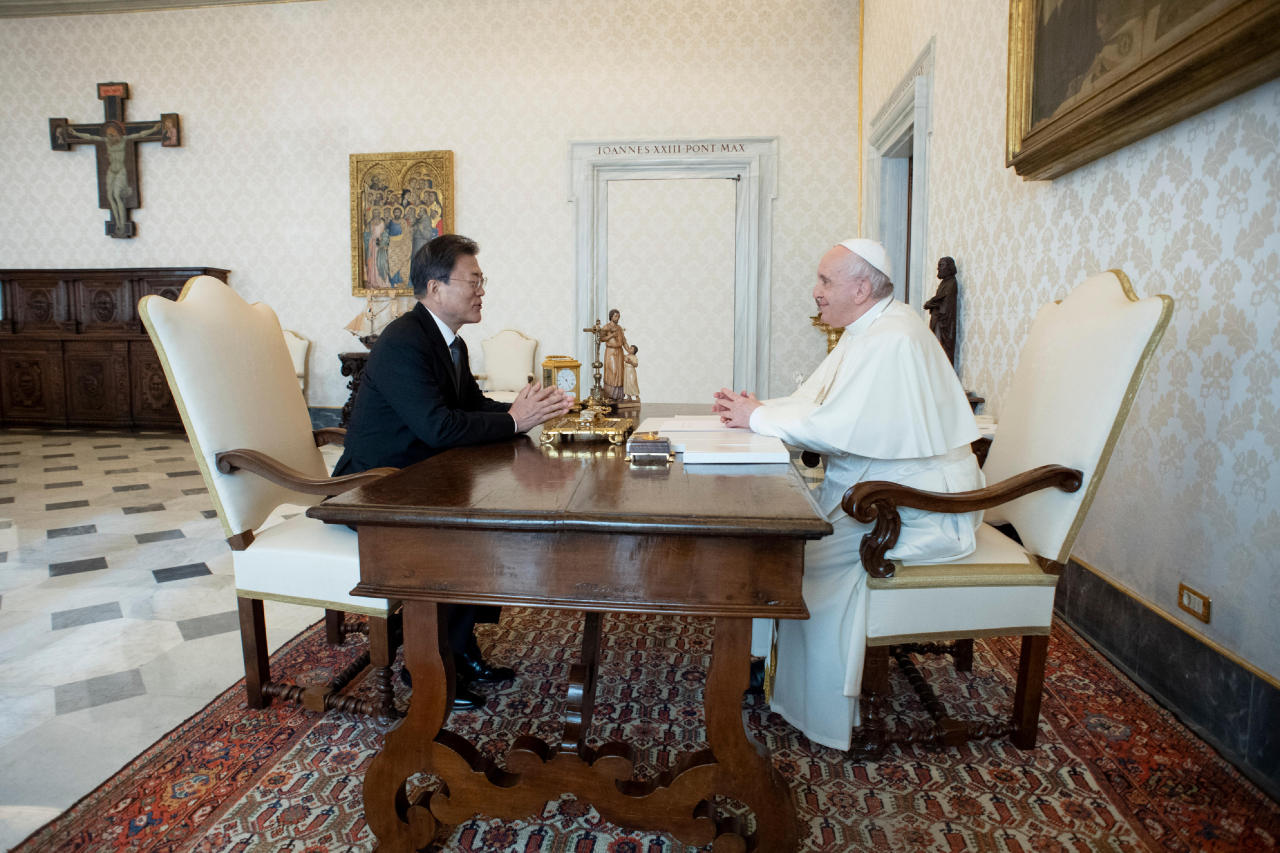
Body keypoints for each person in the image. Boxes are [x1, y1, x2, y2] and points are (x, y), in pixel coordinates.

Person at [711, 239, 982, 751]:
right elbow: (821, 405)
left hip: (915, 507)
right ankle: (767, 667)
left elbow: (838, 427)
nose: (815, 293)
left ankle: (815, 701)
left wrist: (760, 418)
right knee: (776, 545)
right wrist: (760, 408)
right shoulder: (870, 330)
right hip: (882, 492)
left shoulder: (892, 338)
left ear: (861, 287)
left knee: (794, 556)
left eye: (825, 281)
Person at [335, 233, 573, 709]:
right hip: (377, 487)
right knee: (465, 530)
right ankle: (427, 664)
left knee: (487, 517)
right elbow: (440, 427)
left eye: (482, 281)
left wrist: (524, 411)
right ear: (435, 288)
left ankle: (461, 647)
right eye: (474, 280)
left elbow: (471, 405)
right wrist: (513, 421)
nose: (482, 290)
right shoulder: (404, 341)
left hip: (419, 475)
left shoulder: (448, 343)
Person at [64, 120, 162, 237]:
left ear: (117, 133)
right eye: (108, 134)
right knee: (110, 197)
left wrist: (154, 129)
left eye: (112, 133)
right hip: (111, 171)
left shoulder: (124, 140)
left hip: (121, 171)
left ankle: (122, 222)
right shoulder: (106, 141)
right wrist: (74, 133)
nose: (109, 136)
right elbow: (90, 137)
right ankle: (118, 224)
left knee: (117, 196)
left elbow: (140, 134)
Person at [600, 309, 629, 399]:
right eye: (616, 316)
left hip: (619, 352)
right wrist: (611, 335)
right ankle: (610, 395)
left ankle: (618, 395)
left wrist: (629, 351)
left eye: (618, 316)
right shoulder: (606, 327)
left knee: (620, 372)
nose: (617, 318)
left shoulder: (619, 328)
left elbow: (624, 340)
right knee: (613, 371)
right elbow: (601, 338)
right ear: (611, 316)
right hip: (611, 352)